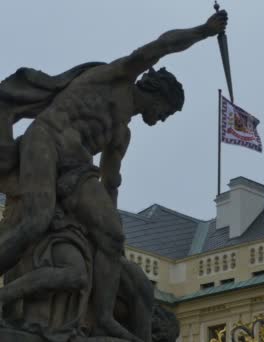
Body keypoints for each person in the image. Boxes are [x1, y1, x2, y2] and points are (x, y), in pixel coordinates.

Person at [0, 9, 227, 342]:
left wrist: (110, 236)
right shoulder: (118, 77)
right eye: (165, 112)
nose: (161, 119)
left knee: (111, 236)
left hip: (76, 168)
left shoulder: (121, 135)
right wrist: (205, 31)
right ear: (158, 95)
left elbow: (110, 184)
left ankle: (104, 317)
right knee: (37, 219)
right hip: (46, 140)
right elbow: (160, 46)